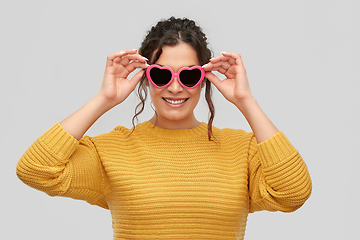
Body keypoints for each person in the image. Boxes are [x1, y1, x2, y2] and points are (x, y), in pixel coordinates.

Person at [16, 17, 312, 240]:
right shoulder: (111, 149)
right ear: (145, 78)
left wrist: (246, 101)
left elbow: (293, 193)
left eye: (189, 75)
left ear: (205, 78)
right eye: (160, 74)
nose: (174, 87)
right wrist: (104, 99)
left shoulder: (243, 149)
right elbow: (35, 169)